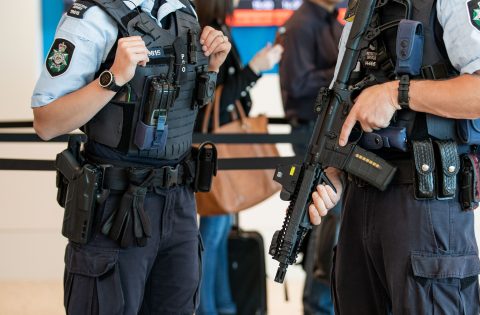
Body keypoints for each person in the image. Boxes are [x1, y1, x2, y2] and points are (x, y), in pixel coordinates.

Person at [307, 0, 480, 313]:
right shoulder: (361, 5)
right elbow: (347, 98)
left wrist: (396, 94)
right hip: (360, 199)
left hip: (427, 202)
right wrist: (333, 172)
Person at [31, 0, 231, 314]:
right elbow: (46, 123)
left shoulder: (184, 13)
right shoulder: (90, 18)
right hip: (115, 209)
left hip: (179, 205)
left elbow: (171, 118)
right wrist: (112, 78)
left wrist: (213, 67)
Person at [193, 0, 282, 314]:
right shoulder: (209, 32)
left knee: (216, 236)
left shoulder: (219, 26)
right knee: (211, 238)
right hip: (212, 149)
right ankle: (211, 308)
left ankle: (222, 306)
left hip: (217, 148)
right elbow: (213, 97)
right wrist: (254, 69)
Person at [278, 1, 343, 314]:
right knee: (326, 216)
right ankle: (318, 304)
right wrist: (342, 72)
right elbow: (298, 85)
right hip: (310, 133)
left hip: (332, 132)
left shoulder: (332, 20)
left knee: (334, 217)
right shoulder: (301, 24)